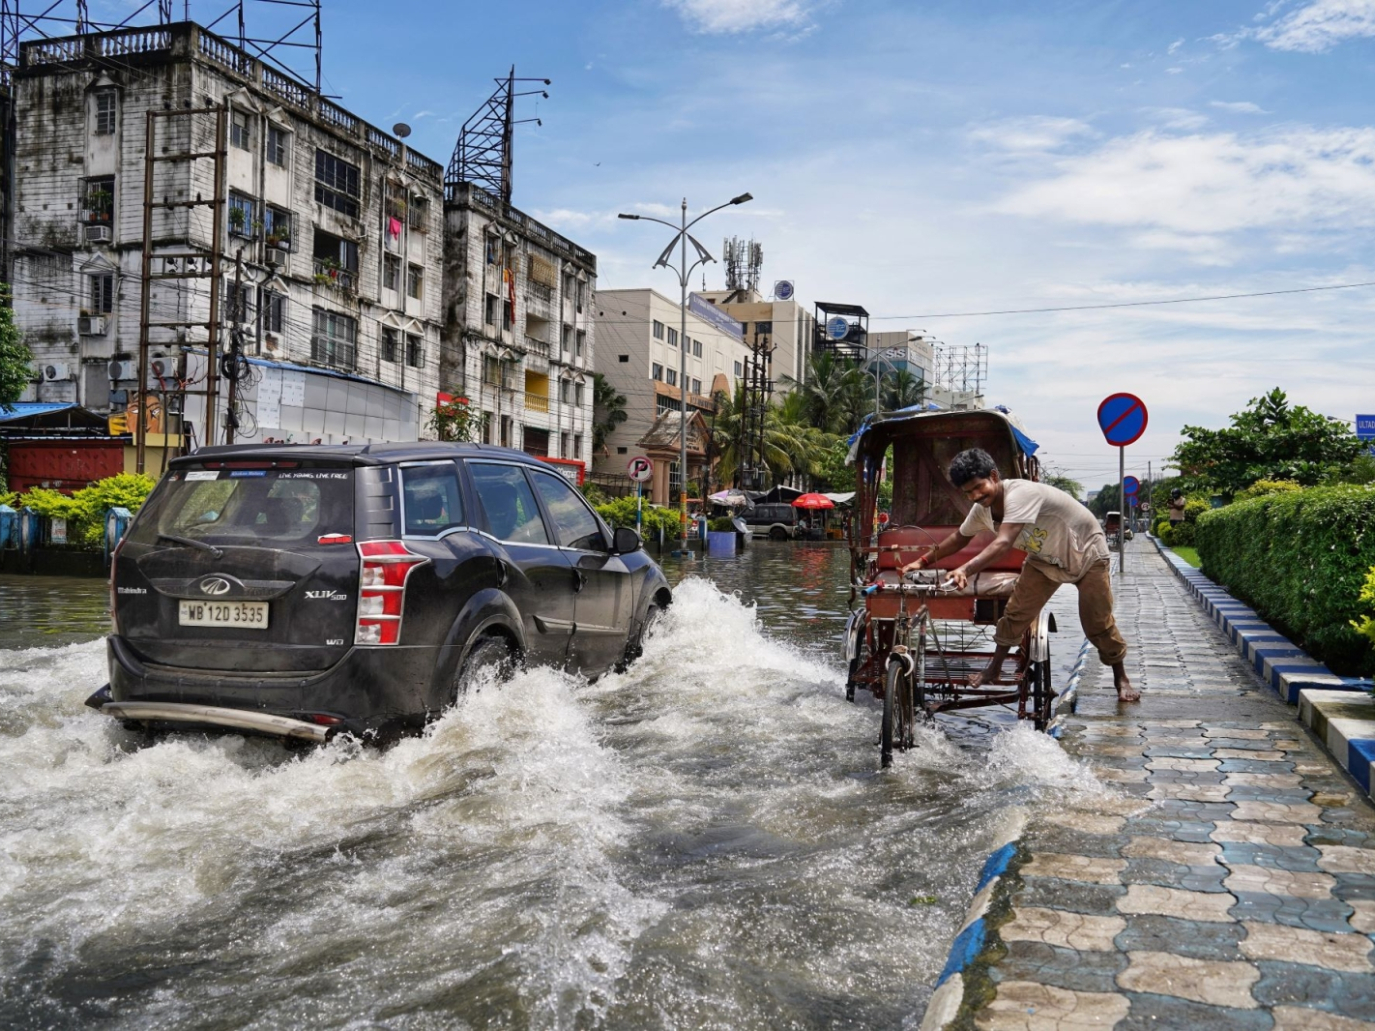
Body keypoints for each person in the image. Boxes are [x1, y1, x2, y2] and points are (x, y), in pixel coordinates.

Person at [901, 448, 1139, 702]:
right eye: (968, 492)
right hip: (1045, 559)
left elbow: (1003, 543)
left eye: (979, 487)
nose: (975, 496)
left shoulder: (1020, 494)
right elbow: (959, 538)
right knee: (1016, 613)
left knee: (1097, 624)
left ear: (993, 476)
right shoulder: (982, 509)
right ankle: (993, 669)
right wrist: (922, 561)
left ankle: (1120, 677)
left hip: (1088, 554)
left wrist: (965, 570)